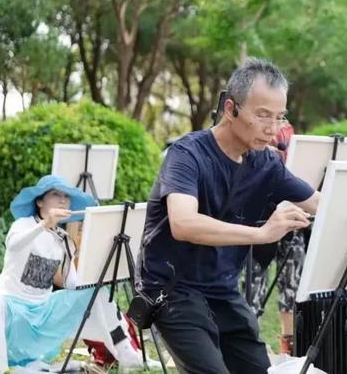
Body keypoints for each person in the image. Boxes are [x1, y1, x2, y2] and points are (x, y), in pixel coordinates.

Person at [137, 58, 320, 373]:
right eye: (262, 115)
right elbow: (183, 224)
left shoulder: (266, 164)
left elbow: (321, 204)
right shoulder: (187, 154)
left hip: (222, 290)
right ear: (231, 108)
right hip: (172, 289)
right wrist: (262, 234)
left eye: (279, 118)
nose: (273, 130)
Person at [0, 175, 143, 371]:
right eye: (55, 194)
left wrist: (98, 268)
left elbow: (72, 284)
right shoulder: (23, 225)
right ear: (39, 201)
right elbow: (13, 245)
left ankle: (128, 355)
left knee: (97, 292)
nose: (62, 200)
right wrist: (44, 224)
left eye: (65, 196)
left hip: (42, 313)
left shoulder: (63, 239)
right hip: (12, 313)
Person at [246, 121, 306, 355]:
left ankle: (288, 344)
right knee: (254, 282)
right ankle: (250, 340)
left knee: (292, 280)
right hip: (259, 216)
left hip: (290, 211)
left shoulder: (289, 129)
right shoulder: (252, 124)